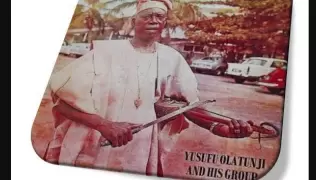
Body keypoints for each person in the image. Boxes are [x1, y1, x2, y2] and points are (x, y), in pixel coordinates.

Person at [45, 0, 253, 176]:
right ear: (134, 20)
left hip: (139, 152)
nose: (154, 20)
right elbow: (61, 102)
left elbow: (187, 106)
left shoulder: (171, 59)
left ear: (165, 22)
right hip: (91, 145)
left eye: (160, 16)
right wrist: (104, 125)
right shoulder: (105, 52)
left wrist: (219, 127)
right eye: (148, 15)